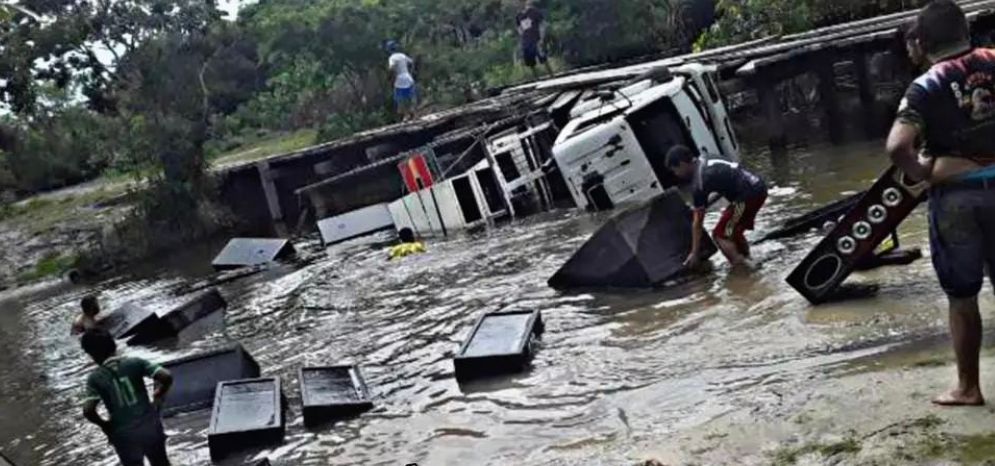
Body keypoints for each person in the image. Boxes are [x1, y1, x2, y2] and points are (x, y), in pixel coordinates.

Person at [886, 0, 995, 407]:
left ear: (925, 40)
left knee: (962, 296)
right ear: (965, 29)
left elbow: (897, 146)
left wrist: (924, 172)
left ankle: (968, 388)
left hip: (957, 198)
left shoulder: (928, 84)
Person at [80, 329, 174, 466]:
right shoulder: (135, 363)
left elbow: (88, 410)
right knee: (161, 463)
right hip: (149, 427)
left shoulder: (94, 378)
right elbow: (166, 376)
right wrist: (159, 393)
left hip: (124, 435)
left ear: (92, 355)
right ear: (114, 345)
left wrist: (105, 425)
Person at [666, 145, 768, 267]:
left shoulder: (699, 182)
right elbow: (727, 179)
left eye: (675, 170)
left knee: (720, 235)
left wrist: (694, 253)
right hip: (757, 185)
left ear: (682, 164)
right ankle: (747, 258)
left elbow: (698, 223)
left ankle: (743, 268)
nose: (676, 174)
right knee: (732, 229)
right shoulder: (706, 158)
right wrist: (699, 207)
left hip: (748, 196)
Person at [516, 0, 553, 78]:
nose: (520, 3)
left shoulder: (533, 11)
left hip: (536, 38)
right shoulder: (518, 16)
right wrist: (522, 36)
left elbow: (542, 23)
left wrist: (542, 37)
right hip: (526, 41)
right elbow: (519, 28)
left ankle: (552, 76)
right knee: (530, 61)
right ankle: (536, 79)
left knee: (543, 58)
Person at [387, 41, 417, 121]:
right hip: (408, 77)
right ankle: (412, 111)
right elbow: (411, 62)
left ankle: (405, 116)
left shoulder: (392, 58)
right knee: (411, 96)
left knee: (400, 99)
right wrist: (411, 72)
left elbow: (391, 68)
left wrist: (390, 77)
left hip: (399, 80)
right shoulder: (402, 55)